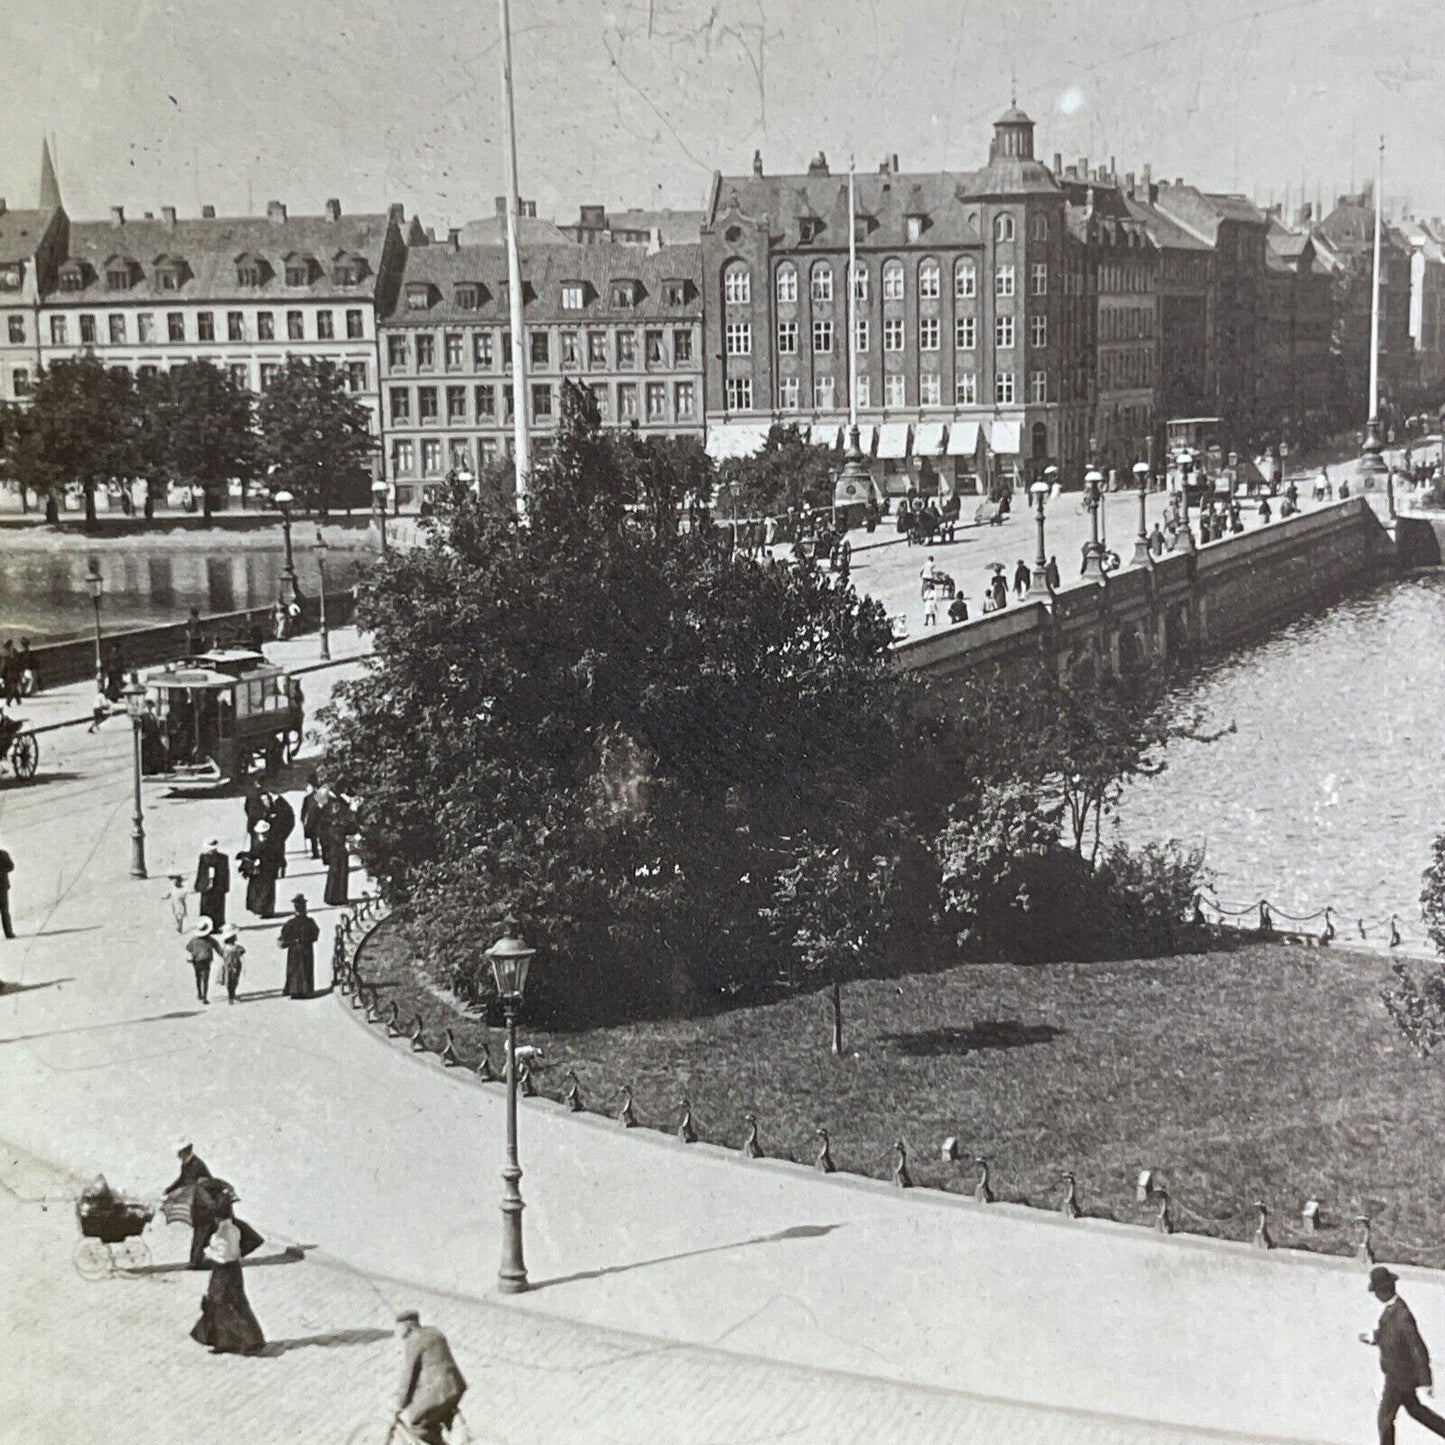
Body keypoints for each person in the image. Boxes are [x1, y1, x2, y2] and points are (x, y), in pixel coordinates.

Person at [1361, 1265, 1445, 1444]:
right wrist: (1374, 1337)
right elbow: (1392, 1337)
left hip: (1399, 1378)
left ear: (1382, 1292)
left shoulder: (1402, 1315)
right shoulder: (1394, 1311)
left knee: (1384, 1419)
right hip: (1398, 1375)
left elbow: (1417, 1347)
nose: (1375, 1295)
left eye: (1376, 1291)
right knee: (1416, 1411)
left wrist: (1425, 1381)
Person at [190, 1193, 265, 1356]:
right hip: (225, 1269)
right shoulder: (227, 1227)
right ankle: (225, 1341)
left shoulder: (228, 1229)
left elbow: (223, 1253)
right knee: (222, 1304)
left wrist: (212, 1252)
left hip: (226, 1269)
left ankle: (251, 1341)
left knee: (229, 1304)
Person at [393, 1311, 467, 1445]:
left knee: (418, 1425)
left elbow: (409, 1375)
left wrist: (400, 1402)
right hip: (457, 1385)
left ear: (407, 1326)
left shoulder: (414, 1339)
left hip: (440, 1390)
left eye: (398, 1327)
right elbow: (432, 1365)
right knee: (434, 1418)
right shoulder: (434, 1332)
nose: (396, 1332)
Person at [164, 1140, 215, 1270]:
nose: (178, 1155)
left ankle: (196, 1261)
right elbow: (182, 1180)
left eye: (180, 1152)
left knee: (202, 1231)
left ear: (187, 1151)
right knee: (201, 1231)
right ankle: (197, 1259)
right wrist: (169, 1189)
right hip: (197, 1203)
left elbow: (192, 1183)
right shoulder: (187, 1164)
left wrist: (176, 1192)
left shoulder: (196, 1165)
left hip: (204, 1203)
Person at [280, 894, 319, 999]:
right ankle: (306, 990)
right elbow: (315, 935)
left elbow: (284, 935)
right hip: (306, 948)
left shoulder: (291, 923)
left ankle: (293, 990)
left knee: (294, 969)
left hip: (294, 949)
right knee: (306, 968)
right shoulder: (310, 922)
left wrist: (292, 941)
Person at [240, 823, 277, 918]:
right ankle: (257, 909)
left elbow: (275, 856)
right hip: (256, 871)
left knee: (267, 890)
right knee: (256, 891)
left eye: (264, 833)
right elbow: (250, 853)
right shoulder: (254, 840)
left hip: (267, 869)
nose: (263, 835)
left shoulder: (272, 842)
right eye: (261, 833)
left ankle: (267, 911)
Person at [321, 796, 353, 907]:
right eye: (334, 807)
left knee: (340, 873)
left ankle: (338, 897)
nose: (336, 808)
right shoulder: (329, 820)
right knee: (335, 873)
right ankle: (333, 897)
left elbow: (351, 829)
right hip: (335, 850)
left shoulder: (339, 819)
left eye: (337, 807)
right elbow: (324, 836)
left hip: (339, 850)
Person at [194, 840, 229, 929]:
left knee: (218, 906)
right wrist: (198, 885)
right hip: (206, 887)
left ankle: (218, 925)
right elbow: (200, 872)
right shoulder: (203, 857)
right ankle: (206, 925)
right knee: (206, 906)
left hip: (218, 887)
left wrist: (225, 886)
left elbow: (226, 873)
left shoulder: (223, 858)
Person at [262, 789, 296, 876]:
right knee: (274, 850)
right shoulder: (273, 803)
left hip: (280, 831)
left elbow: (288, 819)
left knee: (277, 849)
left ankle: (279, 867)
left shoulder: (281, 803)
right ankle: (277, 868)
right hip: (274, 832)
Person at [186, 919, 216, 1005]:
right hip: (206, 961)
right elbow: (217, 947)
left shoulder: (194, 939)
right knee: (205, 980)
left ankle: (199, 994)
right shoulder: (210, 939)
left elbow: (188, 947)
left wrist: (195, 951)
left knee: (198, 978)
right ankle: (205, 998)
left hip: (196, 961)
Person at [217, 925, 245, 1005]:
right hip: (236, 965)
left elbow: (221, 954)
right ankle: (232, 996)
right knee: (234, 981)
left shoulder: (225, 948)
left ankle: (231, 996)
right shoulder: (236, 947)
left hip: (227, 966)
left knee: (229, 981)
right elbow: (242, 951)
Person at [299, 774, 324, 859]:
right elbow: (304, 808)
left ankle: (324, 853)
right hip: (311, 819)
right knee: (313, 837)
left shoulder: (320, 796)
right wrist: (302, 818)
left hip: (320, 819)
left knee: (321, 837)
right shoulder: (307, 798)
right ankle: (315, 853)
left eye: (309, 785)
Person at [0, 840, 13, 942]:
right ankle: (9, 933)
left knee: (5, 911)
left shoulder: (3, 854)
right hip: (3, 886)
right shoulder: (3, 854)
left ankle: (8, 933)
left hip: (2, 887)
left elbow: (11, 866)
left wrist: (2, 871)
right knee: (5, 911)